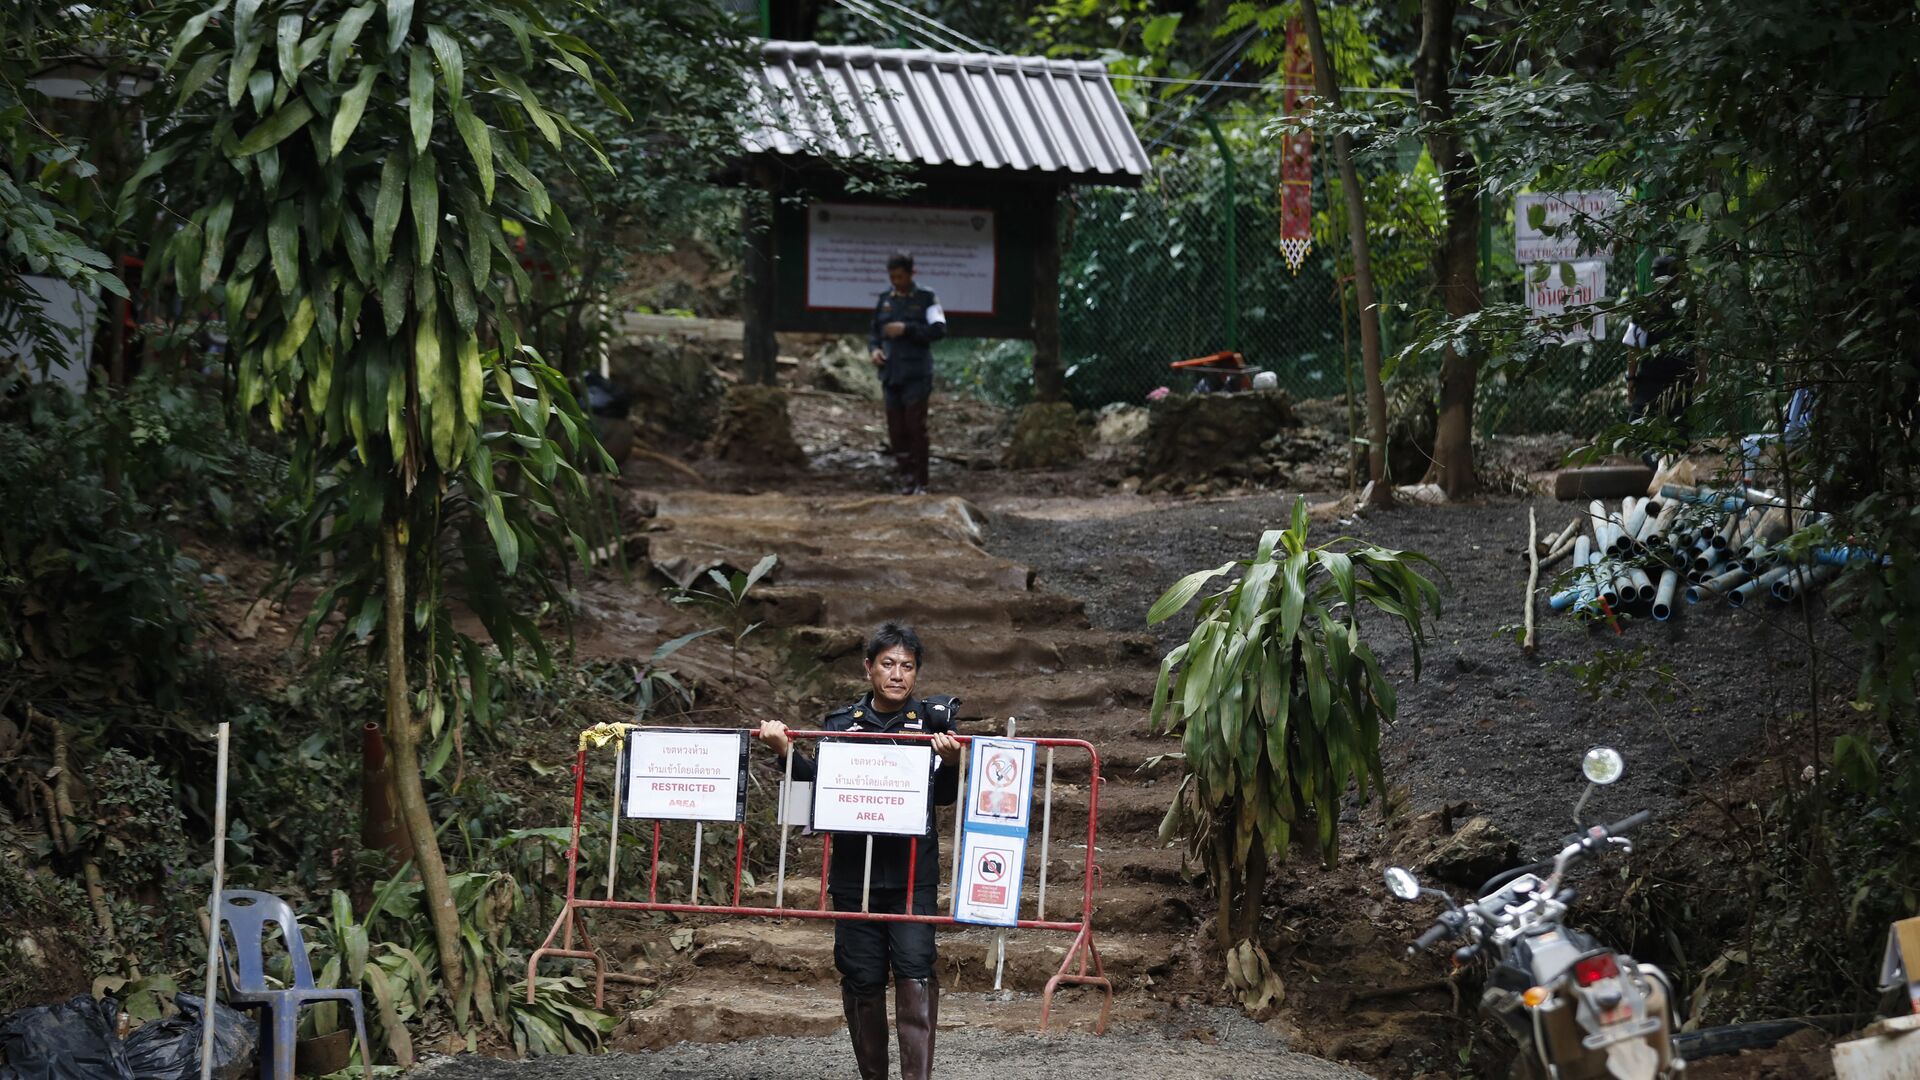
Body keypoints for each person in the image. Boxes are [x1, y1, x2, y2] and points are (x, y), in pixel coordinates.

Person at [756, 623, 961, 1080]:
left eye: (907, 667)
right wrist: (786, 751)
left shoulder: (934, 722)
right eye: (887, 664)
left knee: (915, 970)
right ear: (868, 668)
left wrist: (951, 761)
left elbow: (943, 797)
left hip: (912, 874)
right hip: (854, 875)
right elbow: (818, 790)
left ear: (917, 674)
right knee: (862, 976)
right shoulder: (839, 724)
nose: (897, 674)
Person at [870, 253, 947, 495]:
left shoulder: (927, 298)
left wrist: (907, 329)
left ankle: (921, 481)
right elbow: (874, 333)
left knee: (915, 427)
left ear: (912, 274)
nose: (896, 281)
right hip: (890, 373)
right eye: (892, 276)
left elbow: (939, 330)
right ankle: (905, 478)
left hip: (916, 373)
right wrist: (874, 350)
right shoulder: (884, 299)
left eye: (900, 276)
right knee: (896, 429)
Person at [1620, 254, 1701, 462]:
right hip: (1679, 381)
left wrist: (1631, 379)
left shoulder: (1648, 306)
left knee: (1639, 428)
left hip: (1658, 381)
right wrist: (1702, 374)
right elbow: (1699, 346)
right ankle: (1666, 472)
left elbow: (1633, 348)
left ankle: (1663, 473)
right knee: (1676, 433)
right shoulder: (1687, 307)